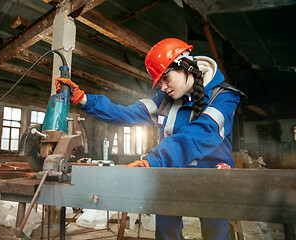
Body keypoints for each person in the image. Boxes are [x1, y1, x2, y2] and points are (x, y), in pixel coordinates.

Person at [55, 38, 246, 240]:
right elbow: (125, 113)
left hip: (213, 178)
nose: (163, 87)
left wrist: (152, 161)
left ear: (186, 66)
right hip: (170, 176)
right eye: (159, 82)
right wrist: (84, 99)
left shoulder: (224, 97)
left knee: (215, 234)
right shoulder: (164, 100)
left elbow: (198, 135)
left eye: (166, 78)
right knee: (165, 233)